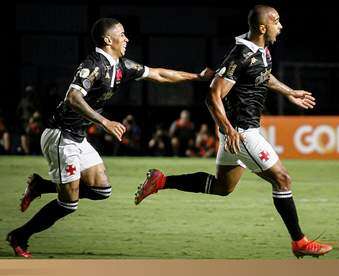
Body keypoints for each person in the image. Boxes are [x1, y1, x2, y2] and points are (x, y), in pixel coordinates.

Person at [134, 5, 333, 258]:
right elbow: (213, 95)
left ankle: (161, 181)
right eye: (276, 21)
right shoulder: (240, 55)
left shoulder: (261, 50)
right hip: (242, 132)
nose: (280, 26)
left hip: (241, 131)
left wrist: (290, 92)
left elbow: (265, 76)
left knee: (222, 187)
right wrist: (229, 130)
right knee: (282, 179)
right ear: (262, 28)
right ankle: (300, 242)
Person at [6, 17, 213, 258]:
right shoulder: (93, 65)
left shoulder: (120, 66)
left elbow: (158, 74)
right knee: (68, 203)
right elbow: (73, 97)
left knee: (101, 191)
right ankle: (20, 236)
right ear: (107, 40)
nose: (126, 38)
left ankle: (41, 185)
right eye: (122, 34)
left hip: (77, 137)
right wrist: (104, 121)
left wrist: (197, 77)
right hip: (61, 136)